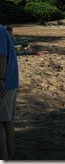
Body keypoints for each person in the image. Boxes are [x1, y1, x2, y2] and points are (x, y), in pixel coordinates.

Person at [0, 25, 19, 160]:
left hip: (4, 82)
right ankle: (10, 154)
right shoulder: (2, 30)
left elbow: (1, 57)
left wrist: (0, 79)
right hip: (10, 81)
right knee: (7, 120)